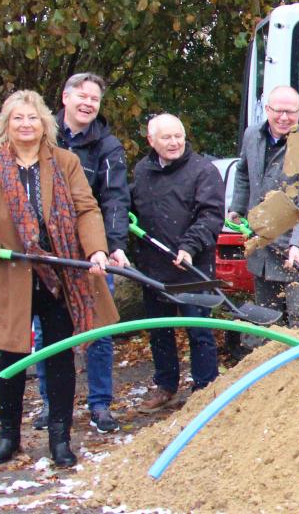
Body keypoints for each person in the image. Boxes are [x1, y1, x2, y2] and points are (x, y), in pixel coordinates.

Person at [0, 90, 119, 467]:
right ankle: (8, 435)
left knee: (58, 356)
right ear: (5, 125)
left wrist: (95, 251)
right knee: (11, 360)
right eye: (18, 119)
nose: (26, 125)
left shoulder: (65, 162)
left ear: (46, 124)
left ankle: (60, 437)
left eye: (33, 118)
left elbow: (86, 209)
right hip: (9, 275)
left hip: (58, 275)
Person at [31, 73, 129, 433]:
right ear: (65, 98)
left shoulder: (107, 146)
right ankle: (50, 402)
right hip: (47, 251)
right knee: (46, 333)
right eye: (82, 97)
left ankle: (100, 404)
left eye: (95, 99)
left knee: (99, 330)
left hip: (93, 251)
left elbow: (115, 199)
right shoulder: (38, 135)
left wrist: (113, 246)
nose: (88, 104)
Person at [129, 114, 225, 413]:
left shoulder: (203, 171)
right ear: (151, 141)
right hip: (154, 267)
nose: (174, 143)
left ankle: (204, 389)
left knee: (199, 330)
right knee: (160, 331)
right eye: (166, 137)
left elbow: (211, 216)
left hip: (192, 266)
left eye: (178, 136)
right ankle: (166, 385)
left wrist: (189, 247)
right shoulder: (142, 171)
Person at [228, 86, 299, 327]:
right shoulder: (252, 136)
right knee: (265, 317)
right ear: (267, 109)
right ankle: (272, 362)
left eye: (291, 112)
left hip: (296, 250)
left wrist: (297, 245)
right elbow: (242, 170)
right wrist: (237, 208)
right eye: (279, 111)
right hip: (262, 243)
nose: (284, 118)